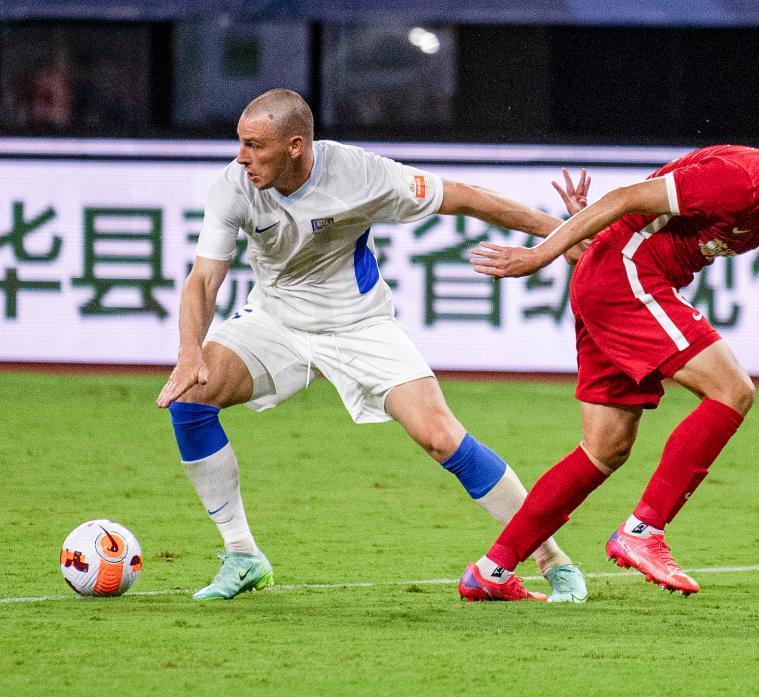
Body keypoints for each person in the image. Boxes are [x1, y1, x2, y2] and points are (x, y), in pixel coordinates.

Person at [155, 88, 587, 602]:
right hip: (276, 321)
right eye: (240, 143)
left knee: (440, 436)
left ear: (295, 146)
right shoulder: (234, 186)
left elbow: (464, 196)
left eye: (254, 145)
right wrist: (190, 352)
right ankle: (242, 554)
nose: (242, 157)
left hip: (360, 325)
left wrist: (560, 233)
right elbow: (204, 279)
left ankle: (552, 559)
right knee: (190, 399)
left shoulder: (359, 174)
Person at [458, 122, 759, 600]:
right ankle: (643, 532)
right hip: (625, 276)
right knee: (732, 390)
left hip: (611, 273)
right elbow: (625, 198)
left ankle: (491, 571)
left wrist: (598, 232)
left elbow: (651, 206)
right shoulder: (743, 181)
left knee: (605, 449)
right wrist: (540, 255)